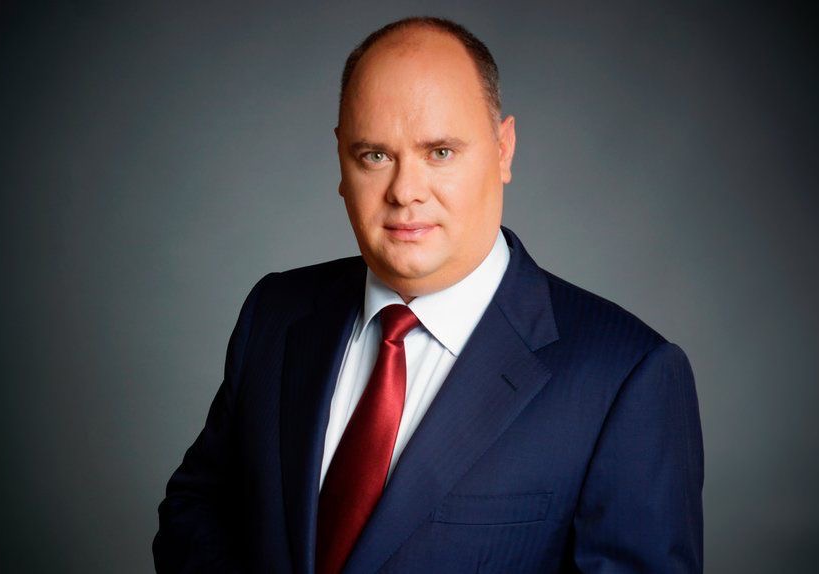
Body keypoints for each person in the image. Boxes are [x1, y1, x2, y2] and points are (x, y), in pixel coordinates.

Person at [153, 16, 703, 574]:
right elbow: (195, 512)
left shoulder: (626, 377)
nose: (405, 192)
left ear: (504, 149)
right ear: (341, 159)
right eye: (375, 155)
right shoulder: (275, 313)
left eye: (439, 152)